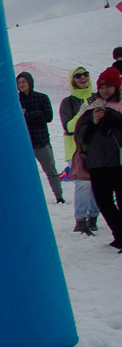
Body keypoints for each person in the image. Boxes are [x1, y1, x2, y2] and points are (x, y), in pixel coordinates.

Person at [73, 67, 122, 251]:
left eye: (109, 86)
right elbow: (80, 135)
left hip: (118, 162)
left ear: (117, 87)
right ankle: (119, 234)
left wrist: (116, 121)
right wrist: (93, 122)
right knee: (103, 200)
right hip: (97, 163)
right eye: (102, 87)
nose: (105, 90)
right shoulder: (91, 109)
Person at [59, 67, 101, 235]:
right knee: (83, 184)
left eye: (85, 74)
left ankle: (93, 217)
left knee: (97, 184)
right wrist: (81, 114)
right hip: (75, 150)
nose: (83, 77)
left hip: (96, 148)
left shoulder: (96, 97)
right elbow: (68, 127)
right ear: (72, 80)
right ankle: (80, 219)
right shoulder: (68, 102)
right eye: (78, 76)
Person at [17, 71, 65, 204]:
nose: (21, 85)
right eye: (19, 83)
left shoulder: (42, 98)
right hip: (23, 142)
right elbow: (15, 120)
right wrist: (36, 115)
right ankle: (27, 198)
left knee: (50, 170)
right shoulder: (15, 100)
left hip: (41, 141)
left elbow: (48, 117)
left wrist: (28, 117)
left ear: (30, 82)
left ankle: (59, 196)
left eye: (23, 82)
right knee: (24, 173)